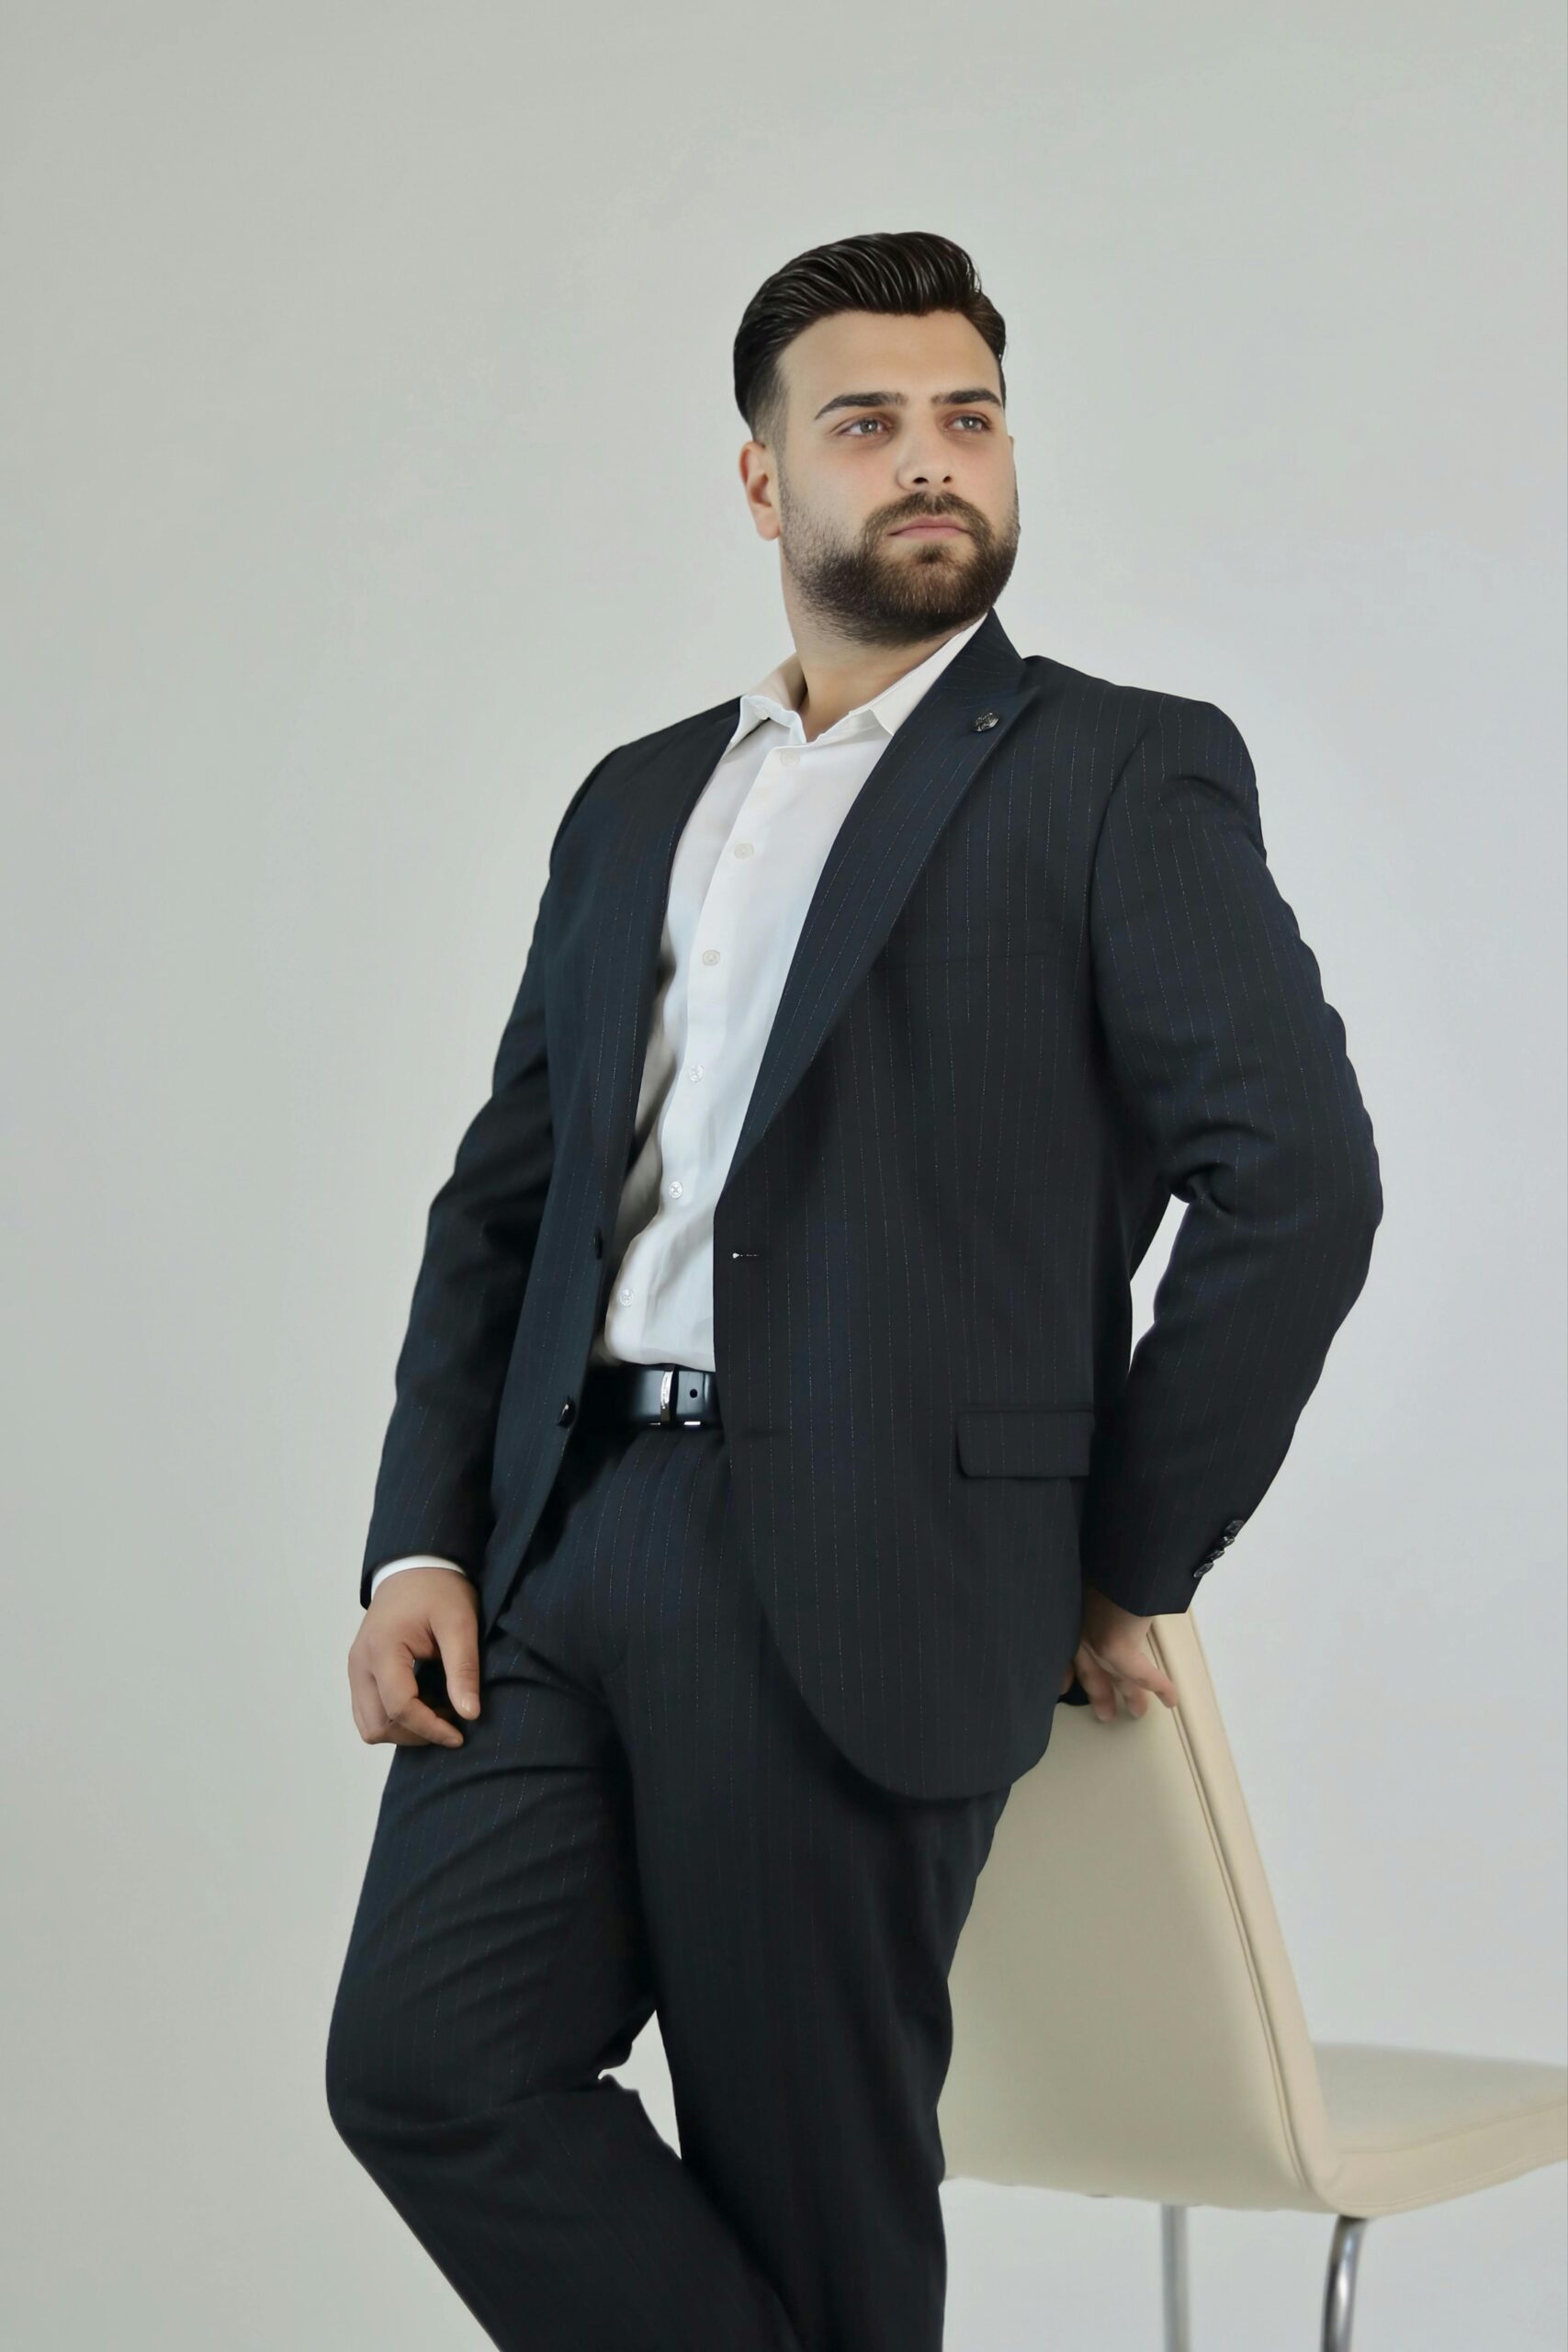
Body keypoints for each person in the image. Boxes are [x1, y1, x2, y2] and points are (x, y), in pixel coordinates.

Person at [325, 228, 1382, 2352]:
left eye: (967, 418)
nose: (930, 462)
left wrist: (1115, 1556)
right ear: (759, 481)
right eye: (868, 422)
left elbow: (1296, 1183)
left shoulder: (1115, 771)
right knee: (426, 2066)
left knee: (809, 2192)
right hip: (560, 1543)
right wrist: (423, 1531)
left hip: (872, 1564)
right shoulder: (639, 799)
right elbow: (501, 1201)